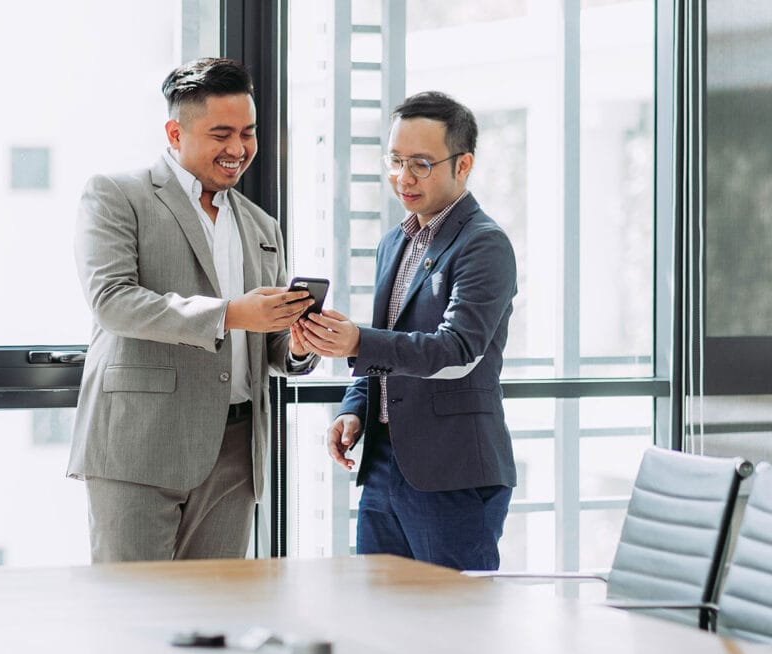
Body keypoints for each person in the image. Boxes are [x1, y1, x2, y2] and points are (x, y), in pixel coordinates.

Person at [67, 58, 318, 563]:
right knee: (134, 602)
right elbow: (112, 301)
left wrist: (296, 344)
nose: (238, 149)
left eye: (248, 133)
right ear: (175, 133)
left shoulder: (262, 226)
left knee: (217, 605)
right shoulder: (117, 195)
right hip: (140, 443)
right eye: (221, 134)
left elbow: (266, 343)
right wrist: (229, 314)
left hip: (237, 452)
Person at [295, 91, 517, 570]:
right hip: (383, 466)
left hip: (452, 472)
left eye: (420, 163)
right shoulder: (394, 242)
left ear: (463, 165)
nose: (403, 177)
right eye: (395, 161)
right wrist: (354, 409)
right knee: (379, 609)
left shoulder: (484, 244)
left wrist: (358, 341)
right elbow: (387, 347)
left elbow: (457, 350)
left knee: (455, 613)